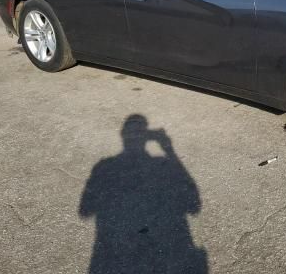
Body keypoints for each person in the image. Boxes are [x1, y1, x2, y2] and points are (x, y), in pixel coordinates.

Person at [79, 114, 206, 273]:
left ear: (122, 135)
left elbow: (85, 210)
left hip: (112, 257)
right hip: (161, 255)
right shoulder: (162, 164)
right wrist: (168, 148)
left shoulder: (104, 167)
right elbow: (193, 205)